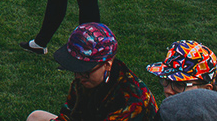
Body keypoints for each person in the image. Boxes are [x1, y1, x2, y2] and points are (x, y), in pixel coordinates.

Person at [25, 23, 158, 121]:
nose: (78, 76)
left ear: (107, 65)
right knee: (35, 117)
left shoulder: (131, 99)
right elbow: (68, 114)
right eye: (76, 69)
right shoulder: (86, 79)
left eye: (85, 71)